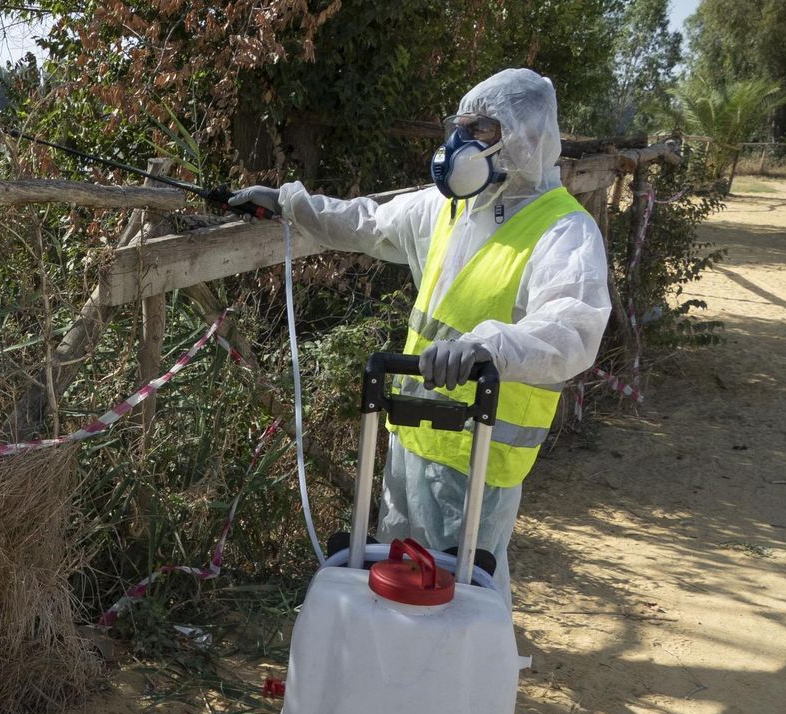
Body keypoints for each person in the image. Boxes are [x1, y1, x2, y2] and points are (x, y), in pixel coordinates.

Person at [231, 68, 611, 600]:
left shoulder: (564, 230)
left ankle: (462, 683)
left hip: (476, 458)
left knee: (459, 598)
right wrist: (288, 202)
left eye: (481, 129)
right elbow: (366, 221)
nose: (461, 144)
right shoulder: (449, 210)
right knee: (395, 585)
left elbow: (574, 327)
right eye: (461, 127)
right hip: (410, 440)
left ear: (526, 137)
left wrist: (487, 347)